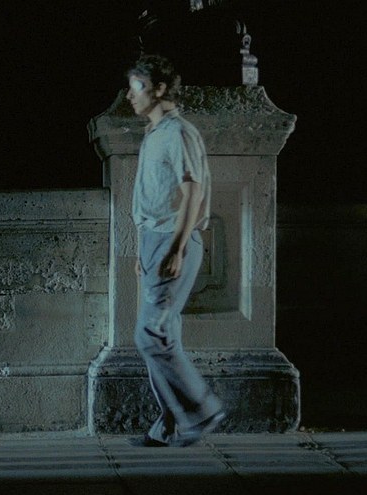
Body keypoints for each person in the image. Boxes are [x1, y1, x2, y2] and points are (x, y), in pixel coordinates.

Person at [126, 54, 225, 447]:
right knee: (162, 338)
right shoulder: (154, 134)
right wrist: (143, 251)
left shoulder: (179, 132)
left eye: (137, 87)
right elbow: (152, 198)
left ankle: (203, 410)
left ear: (160, 89)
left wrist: (176, 249)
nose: (130, 96)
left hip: (172, 240)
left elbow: (192, 192)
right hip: (154, 242)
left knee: (151, 335)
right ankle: (166, 426)